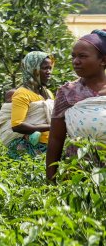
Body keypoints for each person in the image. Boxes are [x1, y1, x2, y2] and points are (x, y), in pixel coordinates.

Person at [46, 30, 106, 181]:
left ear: (103, 60)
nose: (76, 61)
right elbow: (55, 139)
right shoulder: (67, 93)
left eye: (82, 56)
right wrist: (50, 180)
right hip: (78, 176)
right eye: (73, 56)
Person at [0, 52, 53, 158]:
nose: (49, 72)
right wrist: (52, 127)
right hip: (31, 147)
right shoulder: (22, 94)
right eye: (45, 68)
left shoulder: (48, 94)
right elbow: (17, 125)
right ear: (33, 69)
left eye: (50, 68)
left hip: (49, 145)